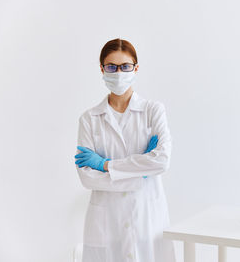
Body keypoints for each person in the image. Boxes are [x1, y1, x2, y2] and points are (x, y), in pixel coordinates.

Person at [74, 38, 176, 262]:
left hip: (147, 215)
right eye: (111, 67)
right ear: (102, 69)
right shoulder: (89, 119)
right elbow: (87, 178)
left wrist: (105, 165)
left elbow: (162, 161)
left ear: (136, 68)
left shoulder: (153, 111)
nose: (118, 73)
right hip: (106, 219)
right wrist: (142, 172)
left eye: (125, 66)